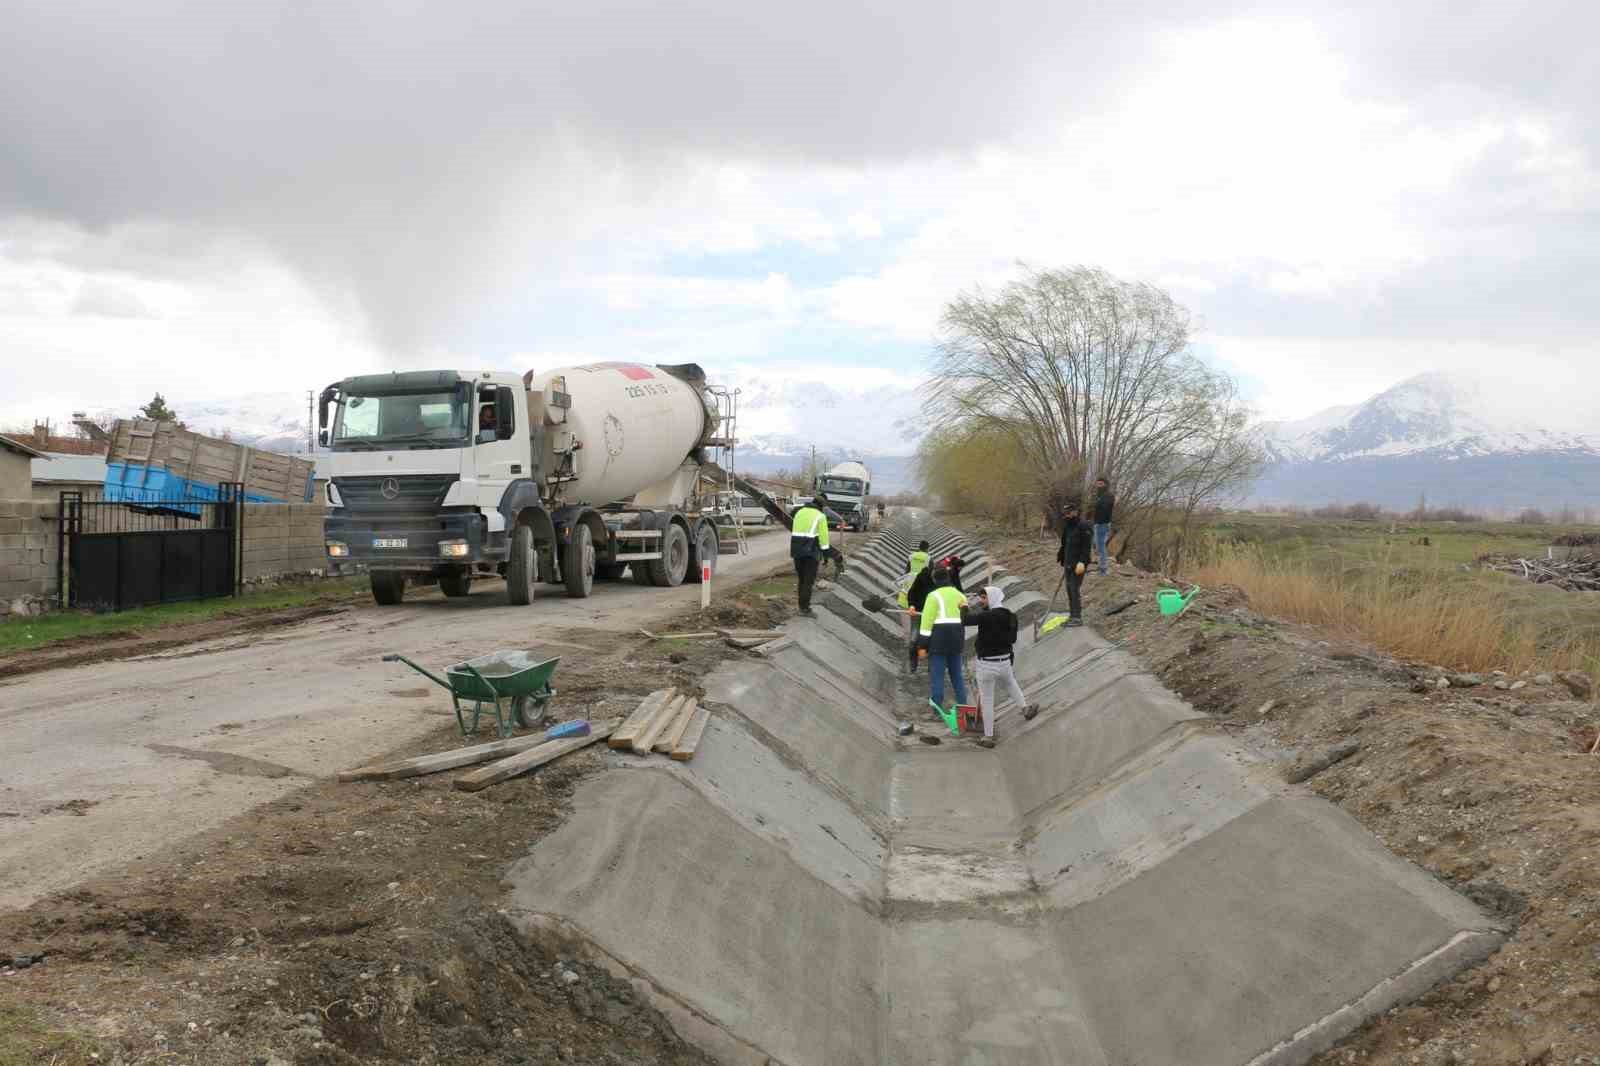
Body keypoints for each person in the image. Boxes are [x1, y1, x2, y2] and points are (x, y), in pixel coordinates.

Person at [962, 585, 1039, 747]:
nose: (981, 601)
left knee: (988, 699)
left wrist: (963, 607)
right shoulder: (1011, 616)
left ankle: (988, 737)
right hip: (1004, 661)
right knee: (1011, 683)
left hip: (986, 665)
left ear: (992, 598)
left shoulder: (985, 617)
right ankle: (1025, 708)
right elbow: (1012, 639)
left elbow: (965, 620)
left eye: (984, 598)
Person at [918, 566, 969, 712]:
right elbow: (965, 615)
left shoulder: (933, 596)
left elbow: (926, 624)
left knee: (937, 675)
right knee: (957, 675)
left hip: (939, 639)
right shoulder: (960, 595)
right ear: (948, 578)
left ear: (934, 580)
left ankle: (937, 709)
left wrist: (922, 646)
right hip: (957, 638)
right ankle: (963, 706)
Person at [789, 492, 832, 616]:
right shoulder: (820, 516)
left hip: (796, 551)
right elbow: (824, 540)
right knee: (808, 582)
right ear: (822, 506)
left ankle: (801, 606)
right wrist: (826, 556)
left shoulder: (799, 512)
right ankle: (805, 609)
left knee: (801, 580)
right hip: (811, 553)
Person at [1057, 499, 1092, 627]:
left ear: (1075, 512)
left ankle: (1077, 617)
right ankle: (1072, 616)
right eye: (1065, 514)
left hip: (1079, 564)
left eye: (1068, 513)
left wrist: (1082, 562)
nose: (1066, 516)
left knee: (1074, 589)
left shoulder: (1084, 526)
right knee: (1068, 589)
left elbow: (1086, 547)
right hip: (1068, 563)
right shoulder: (1068, 527)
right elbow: (1065, 544)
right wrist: (1061, 557)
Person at [903, 558, 937, 672]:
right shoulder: (921, 577)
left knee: (933, 640)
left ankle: (931, 666)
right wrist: (912, 605)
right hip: (917, 612)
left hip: (933, 614)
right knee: (914, 638)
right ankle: (913, 663)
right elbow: (911, 593)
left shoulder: (941, 582)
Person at [1092, 477, 1115, 575]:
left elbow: (1105, 508)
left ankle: (1103, 570)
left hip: (1103, 524)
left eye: (1101, 484)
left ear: (1106, 484)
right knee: (1097, 545)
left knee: (1101, 547)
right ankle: (1101, 566)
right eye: (1097, 484)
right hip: (1097, 523)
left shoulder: (1109, 496)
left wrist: (1098, 502)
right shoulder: (1099, 495)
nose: (1098, 486)